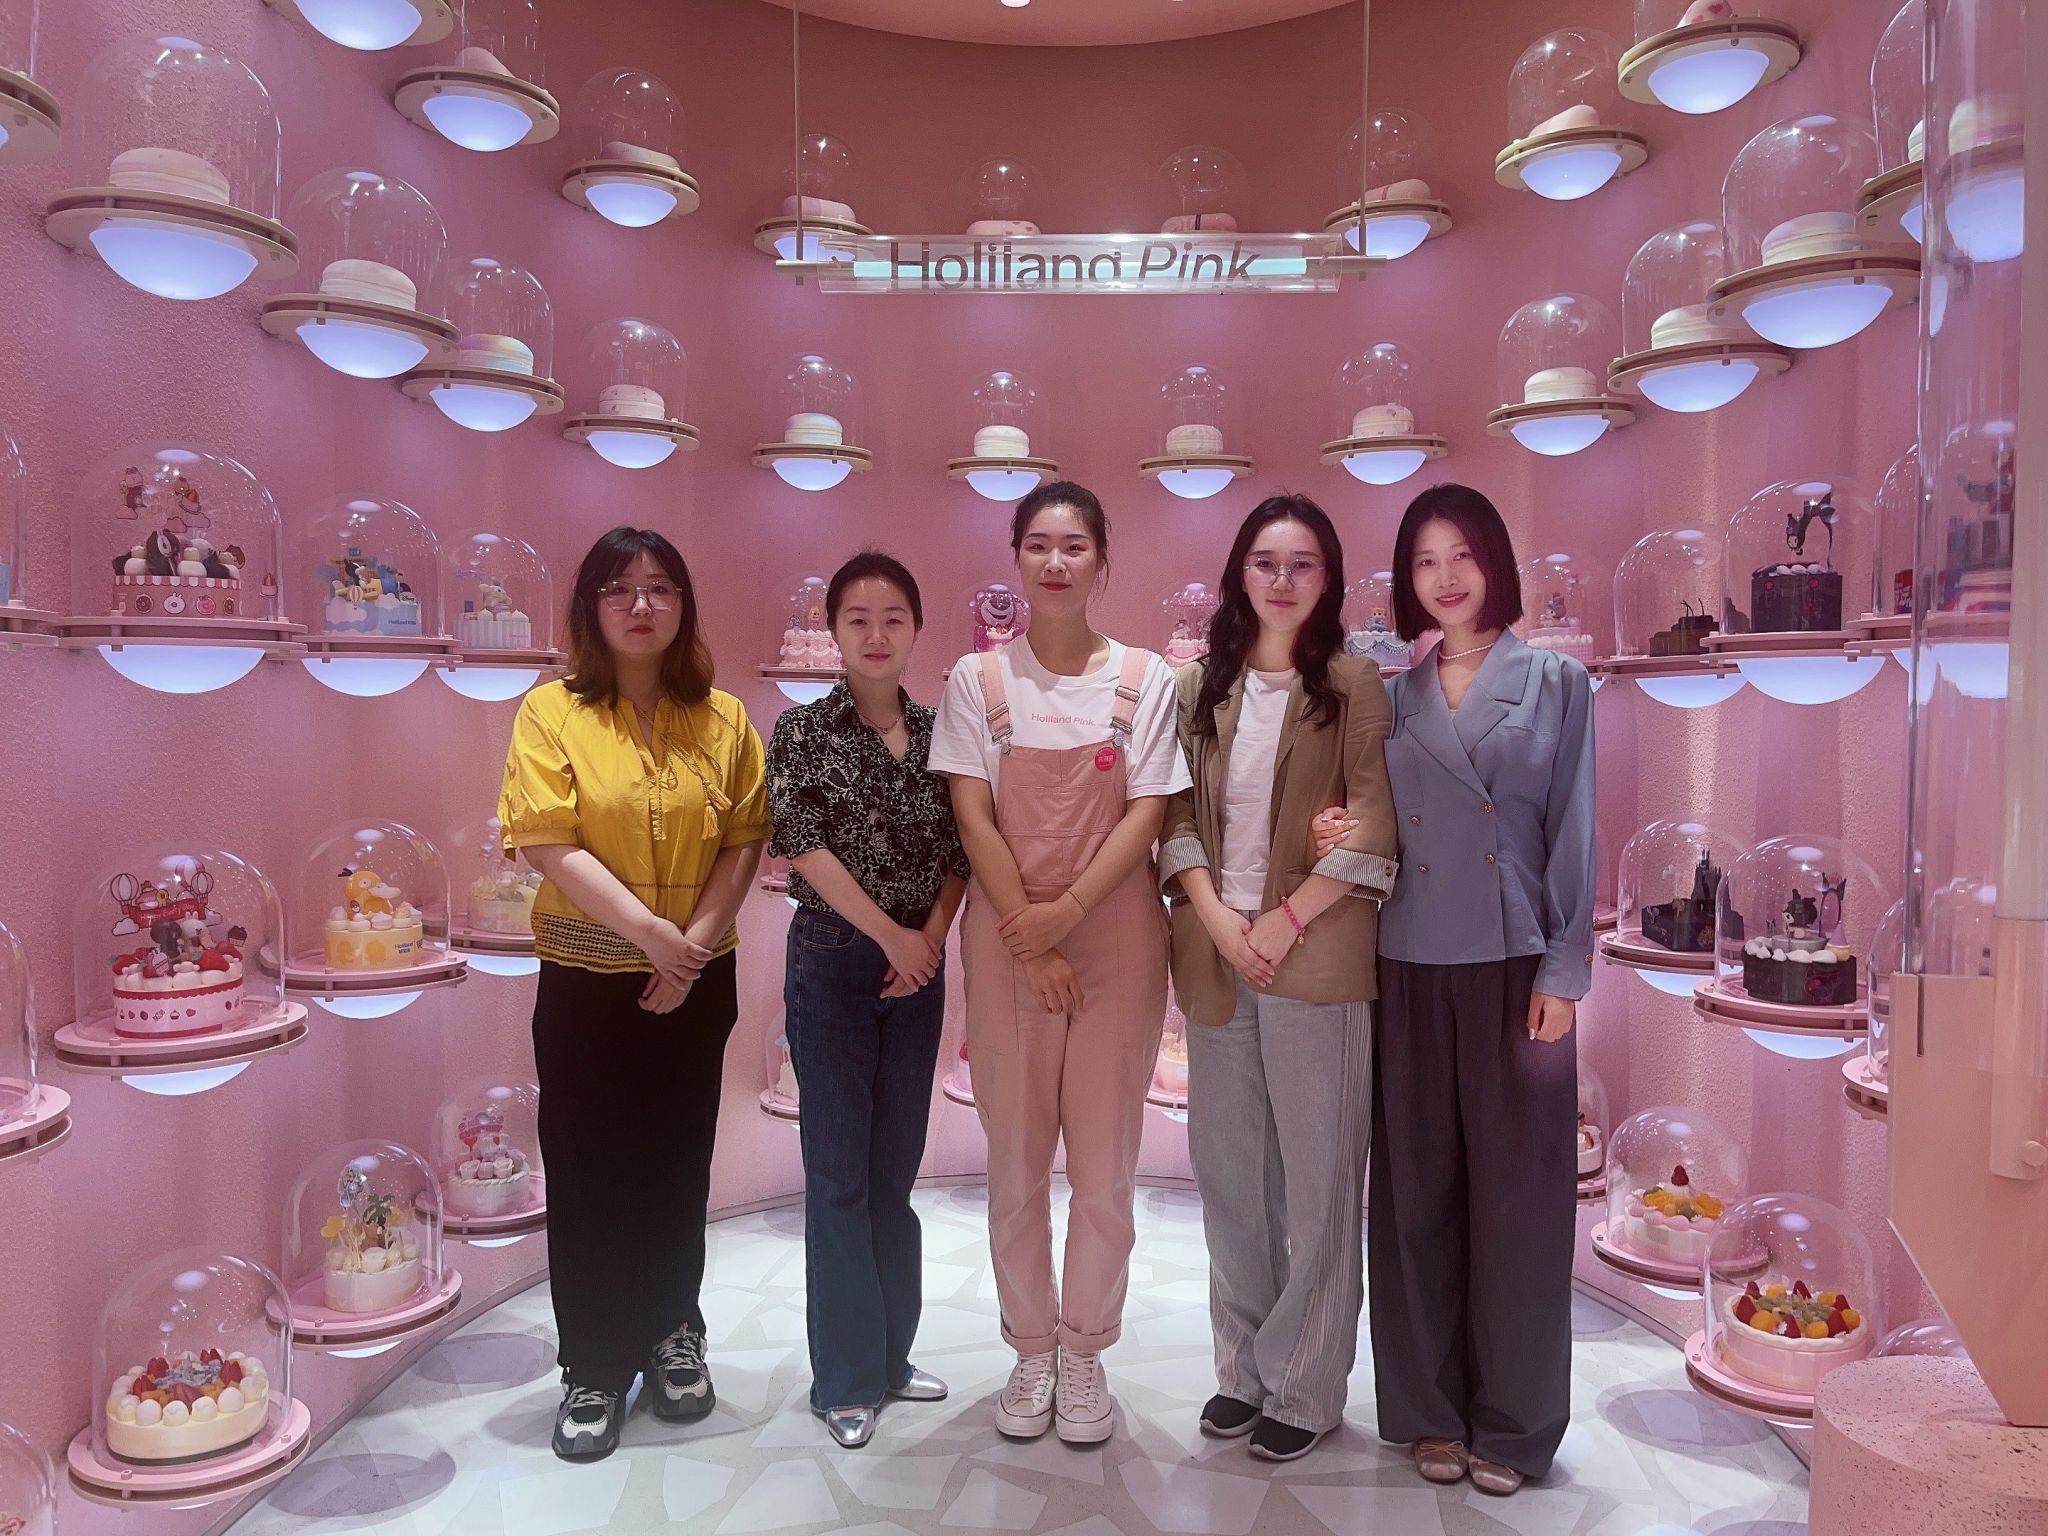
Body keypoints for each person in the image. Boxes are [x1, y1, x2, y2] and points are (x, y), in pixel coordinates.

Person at [498, 527, 771, 1462]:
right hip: (586, 979)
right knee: (588, 1170)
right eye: (619, 590)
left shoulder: (724, 718)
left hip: (697, 977)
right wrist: (652, 935)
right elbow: (548, 840)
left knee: (676, 1160)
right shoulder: (551, 713)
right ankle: (594, 1362)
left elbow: (745, 837)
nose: (642, 606)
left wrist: (688, 949)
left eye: (660, 588)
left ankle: (672, 1332)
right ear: (590, 608)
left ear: (685, 604)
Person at [930, 480, 1190, 1445]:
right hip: (1009, 942)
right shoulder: (977, 680)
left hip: (1117, 939)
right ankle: (1030, 1348)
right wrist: (1029, 932)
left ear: (1101, 562)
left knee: (1107, 1168)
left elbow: (1148, 812)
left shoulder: (1146, 677)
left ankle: (1084, 1351)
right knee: (1015, 1167)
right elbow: (972, 815)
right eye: (1038, 544)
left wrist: (1067, 916)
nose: (1054, 562)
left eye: (1074, 545)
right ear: (1016, 559)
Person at [1363, 483, 1596, 1496]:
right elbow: (1375, 822)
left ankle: (1515, 1422)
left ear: (1494, 560)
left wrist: (1565, 969)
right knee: (1414, 1196)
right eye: (1424, 560)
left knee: (1520, 1204)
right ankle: (1428, 1411)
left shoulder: (1555, 682)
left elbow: (1575, 826)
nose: (1445, 576)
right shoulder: (1392, 696)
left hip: (1515, 969)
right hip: (1406, 962)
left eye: (1461, 554)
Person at [1157, 494, 1398, 1463]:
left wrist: (1283, 919)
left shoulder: (1353, 683)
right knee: (1230, 1183)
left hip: (1317, 961)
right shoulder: (1196, 688)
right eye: (1266, 562)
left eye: (1304, 564)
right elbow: (1172, 818)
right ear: (1239, 575)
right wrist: (1220, 921)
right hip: (1217, 961)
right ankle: (1243, 1373)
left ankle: (1303, 1385)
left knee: (1320, 1187)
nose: (1283, 580)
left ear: (1327, 579)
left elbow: (1373, 822)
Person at [765, 551, 969, 1449]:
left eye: (893, 618)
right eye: (858, 618)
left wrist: (929, 940)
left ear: (916, 629)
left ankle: (891, 1358)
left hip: (919, 968)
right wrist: (895, 938)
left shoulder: (944, 732)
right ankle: (845, 1378)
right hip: (835, 964)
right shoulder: (801, 730)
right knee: (839, 1177)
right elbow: (802, 845)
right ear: (834, 632)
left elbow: (965, 850)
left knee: (894, 1176)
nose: (876, 634)